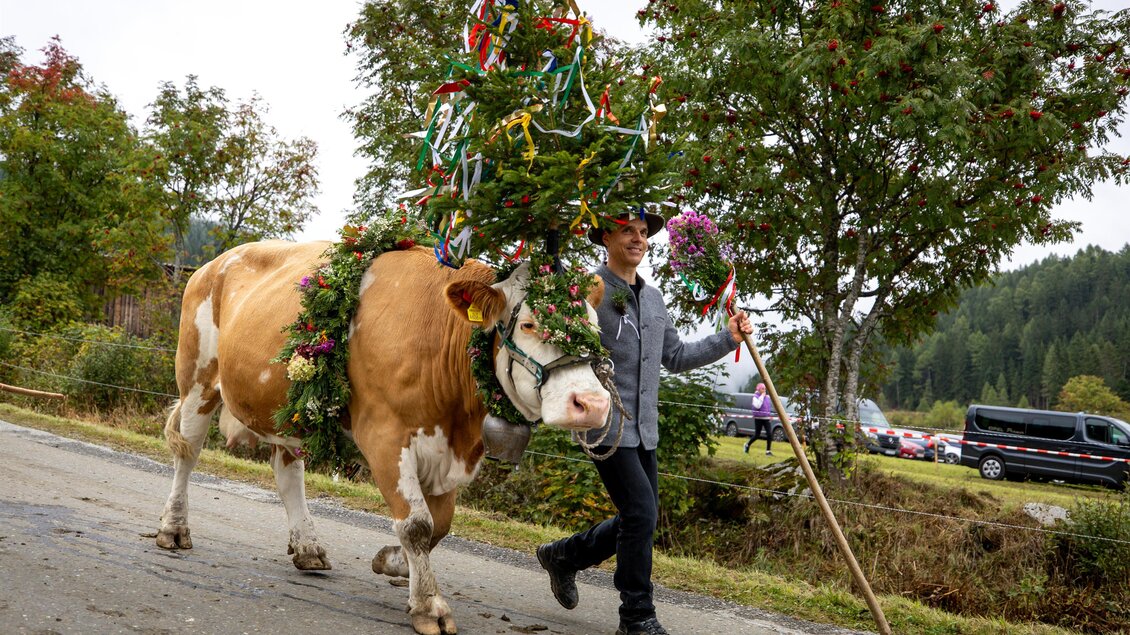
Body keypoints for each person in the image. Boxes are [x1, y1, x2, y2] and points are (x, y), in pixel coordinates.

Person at [536, 210, 753, 635]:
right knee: (640, 513)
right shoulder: (588, 290)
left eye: (642, 233)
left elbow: (676, 356)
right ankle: (636, 615)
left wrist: (728, 338)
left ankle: (564, 555)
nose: (638, 239)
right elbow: (559, 347)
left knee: (640, 516)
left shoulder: (653, 300)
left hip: (645, 429)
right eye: (627, 232)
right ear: (605, 238)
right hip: (605, 424)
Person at [744, 382, 774, 456]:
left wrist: (769, 415)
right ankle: (747, 445)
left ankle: (768, 451)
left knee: (769, 434)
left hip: (766, 418)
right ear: (759, 389)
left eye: (765, 389)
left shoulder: (767, 397)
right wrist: (762, 397)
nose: (764, 390)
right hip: (758, 418)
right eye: (762, 389)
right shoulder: (755, 397)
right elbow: (757, 406)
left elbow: (767, 407)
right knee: (757, 435)